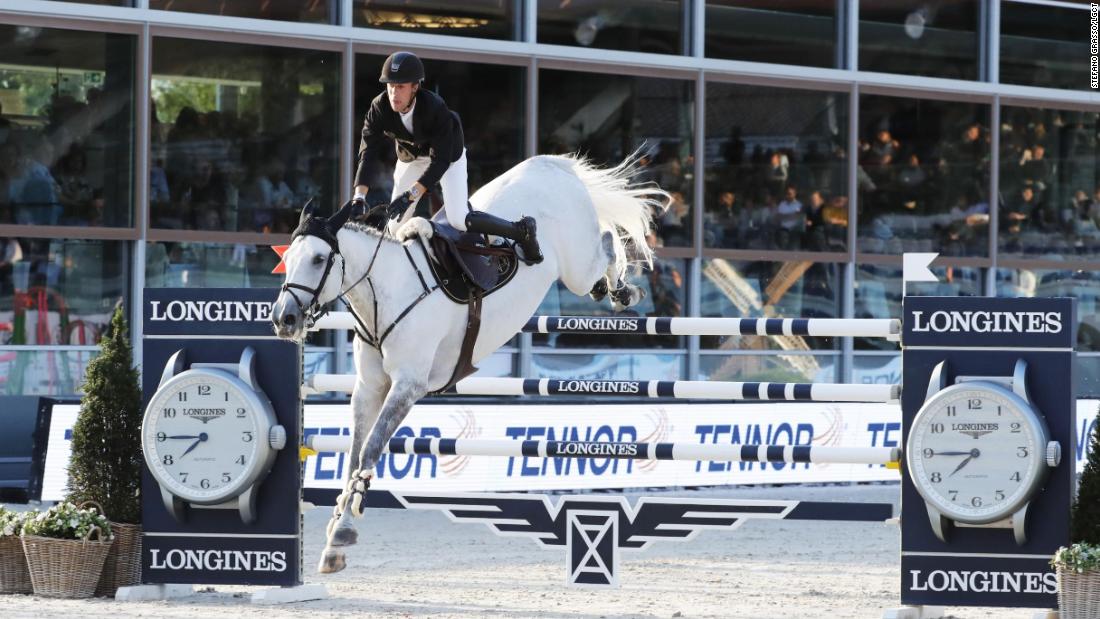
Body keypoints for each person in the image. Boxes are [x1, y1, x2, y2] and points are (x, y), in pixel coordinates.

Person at [352, 51, 542, 263]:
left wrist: (410, 195)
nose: (394, 93)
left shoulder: (435, 108)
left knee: (458, 218)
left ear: (415, 87)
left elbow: (439, 163)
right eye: (390, 86)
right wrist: (359, 197)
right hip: (411, 159)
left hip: (448, 158)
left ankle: (520, 230)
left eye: (401, 87)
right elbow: (367, 152)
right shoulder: (378, 108)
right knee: (395, 226)